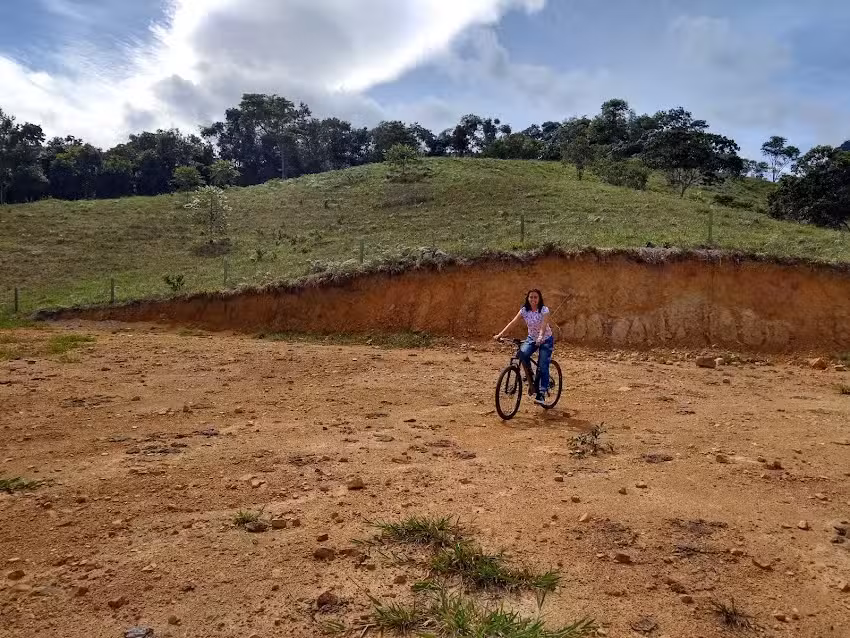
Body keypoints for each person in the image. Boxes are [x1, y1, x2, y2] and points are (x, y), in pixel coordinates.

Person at [493, 289, 554, 405]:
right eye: (531, 297)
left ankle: (541, 392)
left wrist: (541, 337)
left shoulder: (544, 310)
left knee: (542, 365)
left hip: (545, 339)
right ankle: (530, 374)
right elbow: (513, 323)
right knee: (522, 353)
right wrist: (500, 335)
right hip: (532, 338)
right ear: (528, 298)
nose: (533, 299)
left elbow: (543, 326)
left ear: (539, 299)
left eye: (535, 297)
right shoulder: (524, 310)